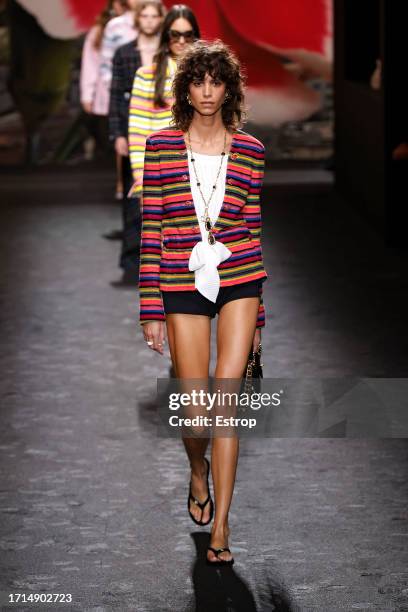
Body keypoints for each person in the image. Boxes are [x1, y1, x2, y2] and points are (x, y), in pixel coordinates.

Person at [139, 40, 268, 565]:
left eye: (218, 81)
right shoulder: (162, 147)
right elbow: (153, 229)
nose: (208, 91)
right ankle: (198, 472)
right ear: (186, 88)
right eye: (199, 81)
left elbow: (254, 230)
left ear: (229, 88)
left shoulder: (252, 151)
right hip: (180, 279)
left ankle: (222, 526)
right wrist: (150, 308)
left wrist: (259, 315)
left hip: (240, 278)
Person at [109, 0, 165, 284]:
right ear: (137, 19)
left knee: (164, 197)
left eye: (154, 16)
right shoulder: (124, 53)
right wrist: (117, 133)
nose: (149, 21)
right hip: (133, 130)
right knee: (134, 197)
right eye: (145, 15)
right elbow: (116, 94)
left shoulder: (167, 54)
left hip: (162, 126)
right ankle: (131, 262)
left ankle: (160, 262)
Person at [128, 4, 200, 195]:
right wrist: (141, 177)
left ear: (196, 37)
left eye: (188, 35)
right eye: (175, 34)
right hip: (160, 172)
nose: (182, 41)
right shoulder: (146, 75)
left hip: (203, 170)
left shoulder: (208, 76)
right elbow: (138, 131)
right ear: (166, 36)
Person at [96, 0, 139, 201]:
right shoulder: (116, 26)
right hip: (125, 96)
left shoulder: (161, 20)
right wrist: (117, 90)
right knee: (124, 146)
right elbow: (105, 65)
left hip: (156, 98)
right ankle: (125, 191)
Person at [80, 1, 120, 159]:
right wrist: (87, 95)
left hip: (133, 94)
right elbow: (90, 64)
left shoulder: (139, 26)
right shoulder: (98, 31)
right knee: (111, 141)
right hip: (106, 94)